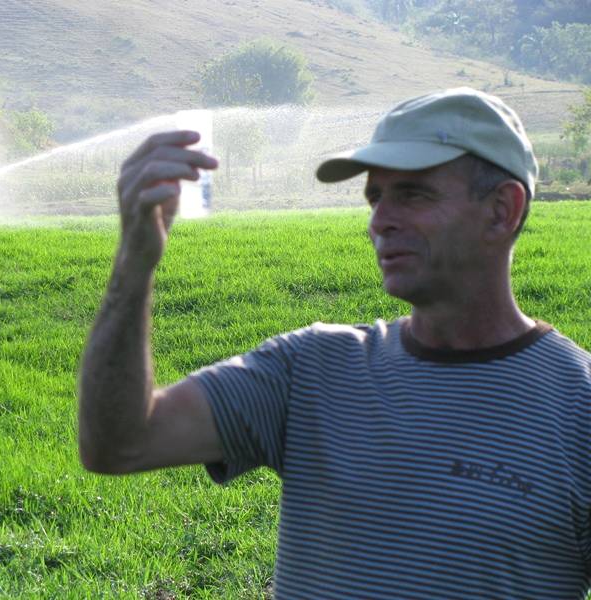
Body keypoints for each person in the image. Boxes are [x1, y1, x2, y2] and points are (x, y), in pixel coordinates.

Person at [78, 88, 591, 599]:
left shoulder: (577, 406)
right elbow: (119, 444)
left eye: (413, 193)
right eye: (375, 197)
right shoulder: (310, 369)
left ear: (503, 209)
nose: (379, 221)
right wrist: (133, 264)